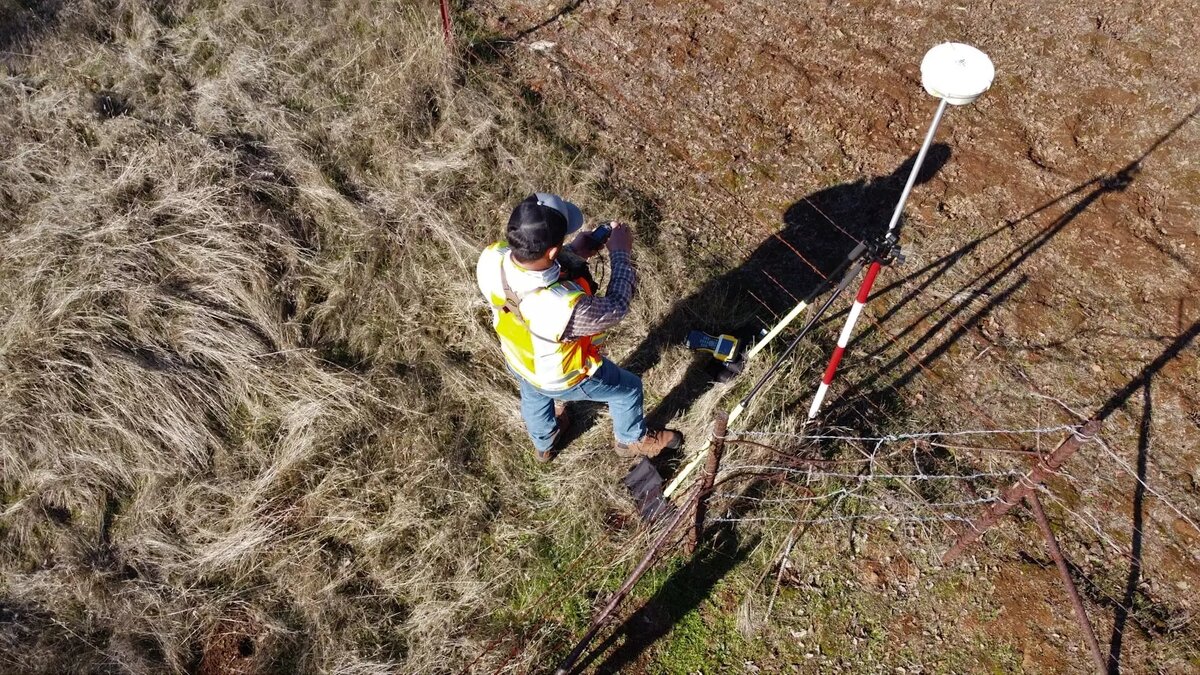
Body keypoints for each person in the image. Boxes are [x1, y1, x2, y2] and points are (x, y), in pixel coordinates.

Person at [476, 193, 683, 462]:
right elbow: (616, 307)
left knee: (533, 394)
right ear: (551, 251)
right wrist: (620, 254)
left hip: (518, 359)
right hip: (562, 377)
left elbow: (531, 270)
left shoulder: (491, 257)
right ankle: (631, 440)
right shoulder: (564, 306)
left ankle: (545, 441)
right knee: (628, 388)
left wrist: (573, 253)